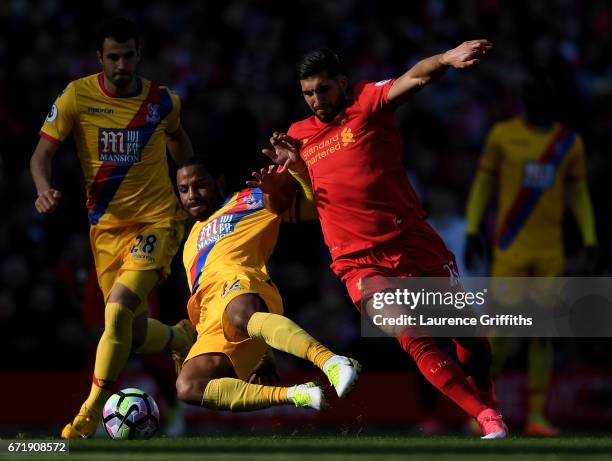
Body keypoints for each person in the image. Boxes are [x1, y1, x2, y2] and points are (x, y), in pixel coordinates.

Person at [263, 44, 508, 438]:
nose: (316, 100)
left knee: (471, 339)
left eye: (323, 90)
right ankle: (486, 417)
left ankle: (487, 398)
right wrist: (285, 179)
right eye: (308, 93)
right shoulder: (296, 137)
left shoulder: (366, 101)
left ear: (341, 83)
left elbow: (416, 77)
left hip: (411, 241)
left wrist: (446, 59)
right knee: (411, 334)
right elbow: (294, 209)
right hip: (359, 262)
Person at [30, 17, 195, 439]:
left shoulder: (162, 101)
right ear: (100, 58)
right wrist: (43, 189)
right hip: (105, 231)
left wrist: (192, 183)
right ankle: (178, 338)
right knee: (134, 334)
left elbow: (179, 142)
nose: (122, 64)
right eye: (113, 57)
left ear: (139, 54)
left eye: (128, 56)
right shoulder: (76, 97)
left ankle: (89, 412)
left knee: (117, 308)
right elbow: (41, 155)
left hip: (157, 221)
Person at [464, 73, 597, 435]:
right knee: (501, 335)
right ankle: (485, 411)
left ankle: (537, 415)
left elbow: (580, 193)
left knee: (542, 333)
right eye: (532, 96)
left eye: (544, 97)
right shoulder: (502, 136)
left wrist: (590, 237)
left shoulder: (568, 143)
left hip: (549, 252)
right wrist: (474, 227)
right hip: (509, 250)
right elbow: (482, 184)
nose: (537, 103)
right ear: (524, 100)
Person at [174, 157, 360, 411]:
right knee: (189, 385)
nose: (192, 195)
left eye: (200, 186)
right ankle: (295, 395)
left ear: (219, 182)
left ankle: (331, 362)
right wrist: (263, 354)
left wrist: (294, 174)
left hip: (242, 284)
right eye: (184, 190)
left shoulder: (250, 199)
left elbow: (312, 206)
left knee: (240, 313)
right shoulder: (190, 241)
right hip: (212, 320)